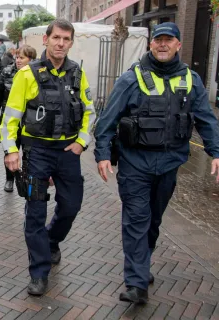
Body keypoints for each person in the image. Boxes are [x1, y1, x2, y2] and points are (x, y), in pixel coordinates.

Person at [94, 22, 219, 304]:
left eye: (169, 40)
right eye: (158, 40)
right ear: (151, 44)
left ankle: (142, 261)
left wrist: (216, 151)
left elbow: (206, 119)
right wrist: (102, 154)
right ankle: (137, 283)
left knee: (153, 220)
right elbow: (107, 121)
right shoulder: (131, 78)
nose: (163, 44)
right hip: (134, 163)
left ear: (178, 45)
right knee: (137, 219)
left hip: (169, 164)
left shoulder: (191, 79)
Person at [0, 19, 95, 296]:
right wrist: (11, 150)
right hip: (37, 153)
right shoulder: (27, 74)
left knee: (70, 207)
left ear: (71, 42)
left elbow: (89, 111)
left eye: (66, 39)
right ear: (46, 39)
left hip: (68, 153)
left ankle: (52, 241)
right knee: (35, 213)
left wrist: (81, 142)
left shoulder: (78, 74)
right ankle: (39, 272)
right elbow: (10, 118)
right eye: (56, 38)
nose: (60, 43)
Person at [0, 45, 36, 192]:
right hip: (11, 121)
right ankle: (9, 179)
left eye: (22, 58)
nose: (18, 60)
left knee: (28, 153)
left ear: (31, 59)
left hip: (30, 123)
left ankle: (27, 179)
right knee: (10, 149)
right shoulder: (7, 72)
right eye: (17, 57)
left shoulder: (37, 75)